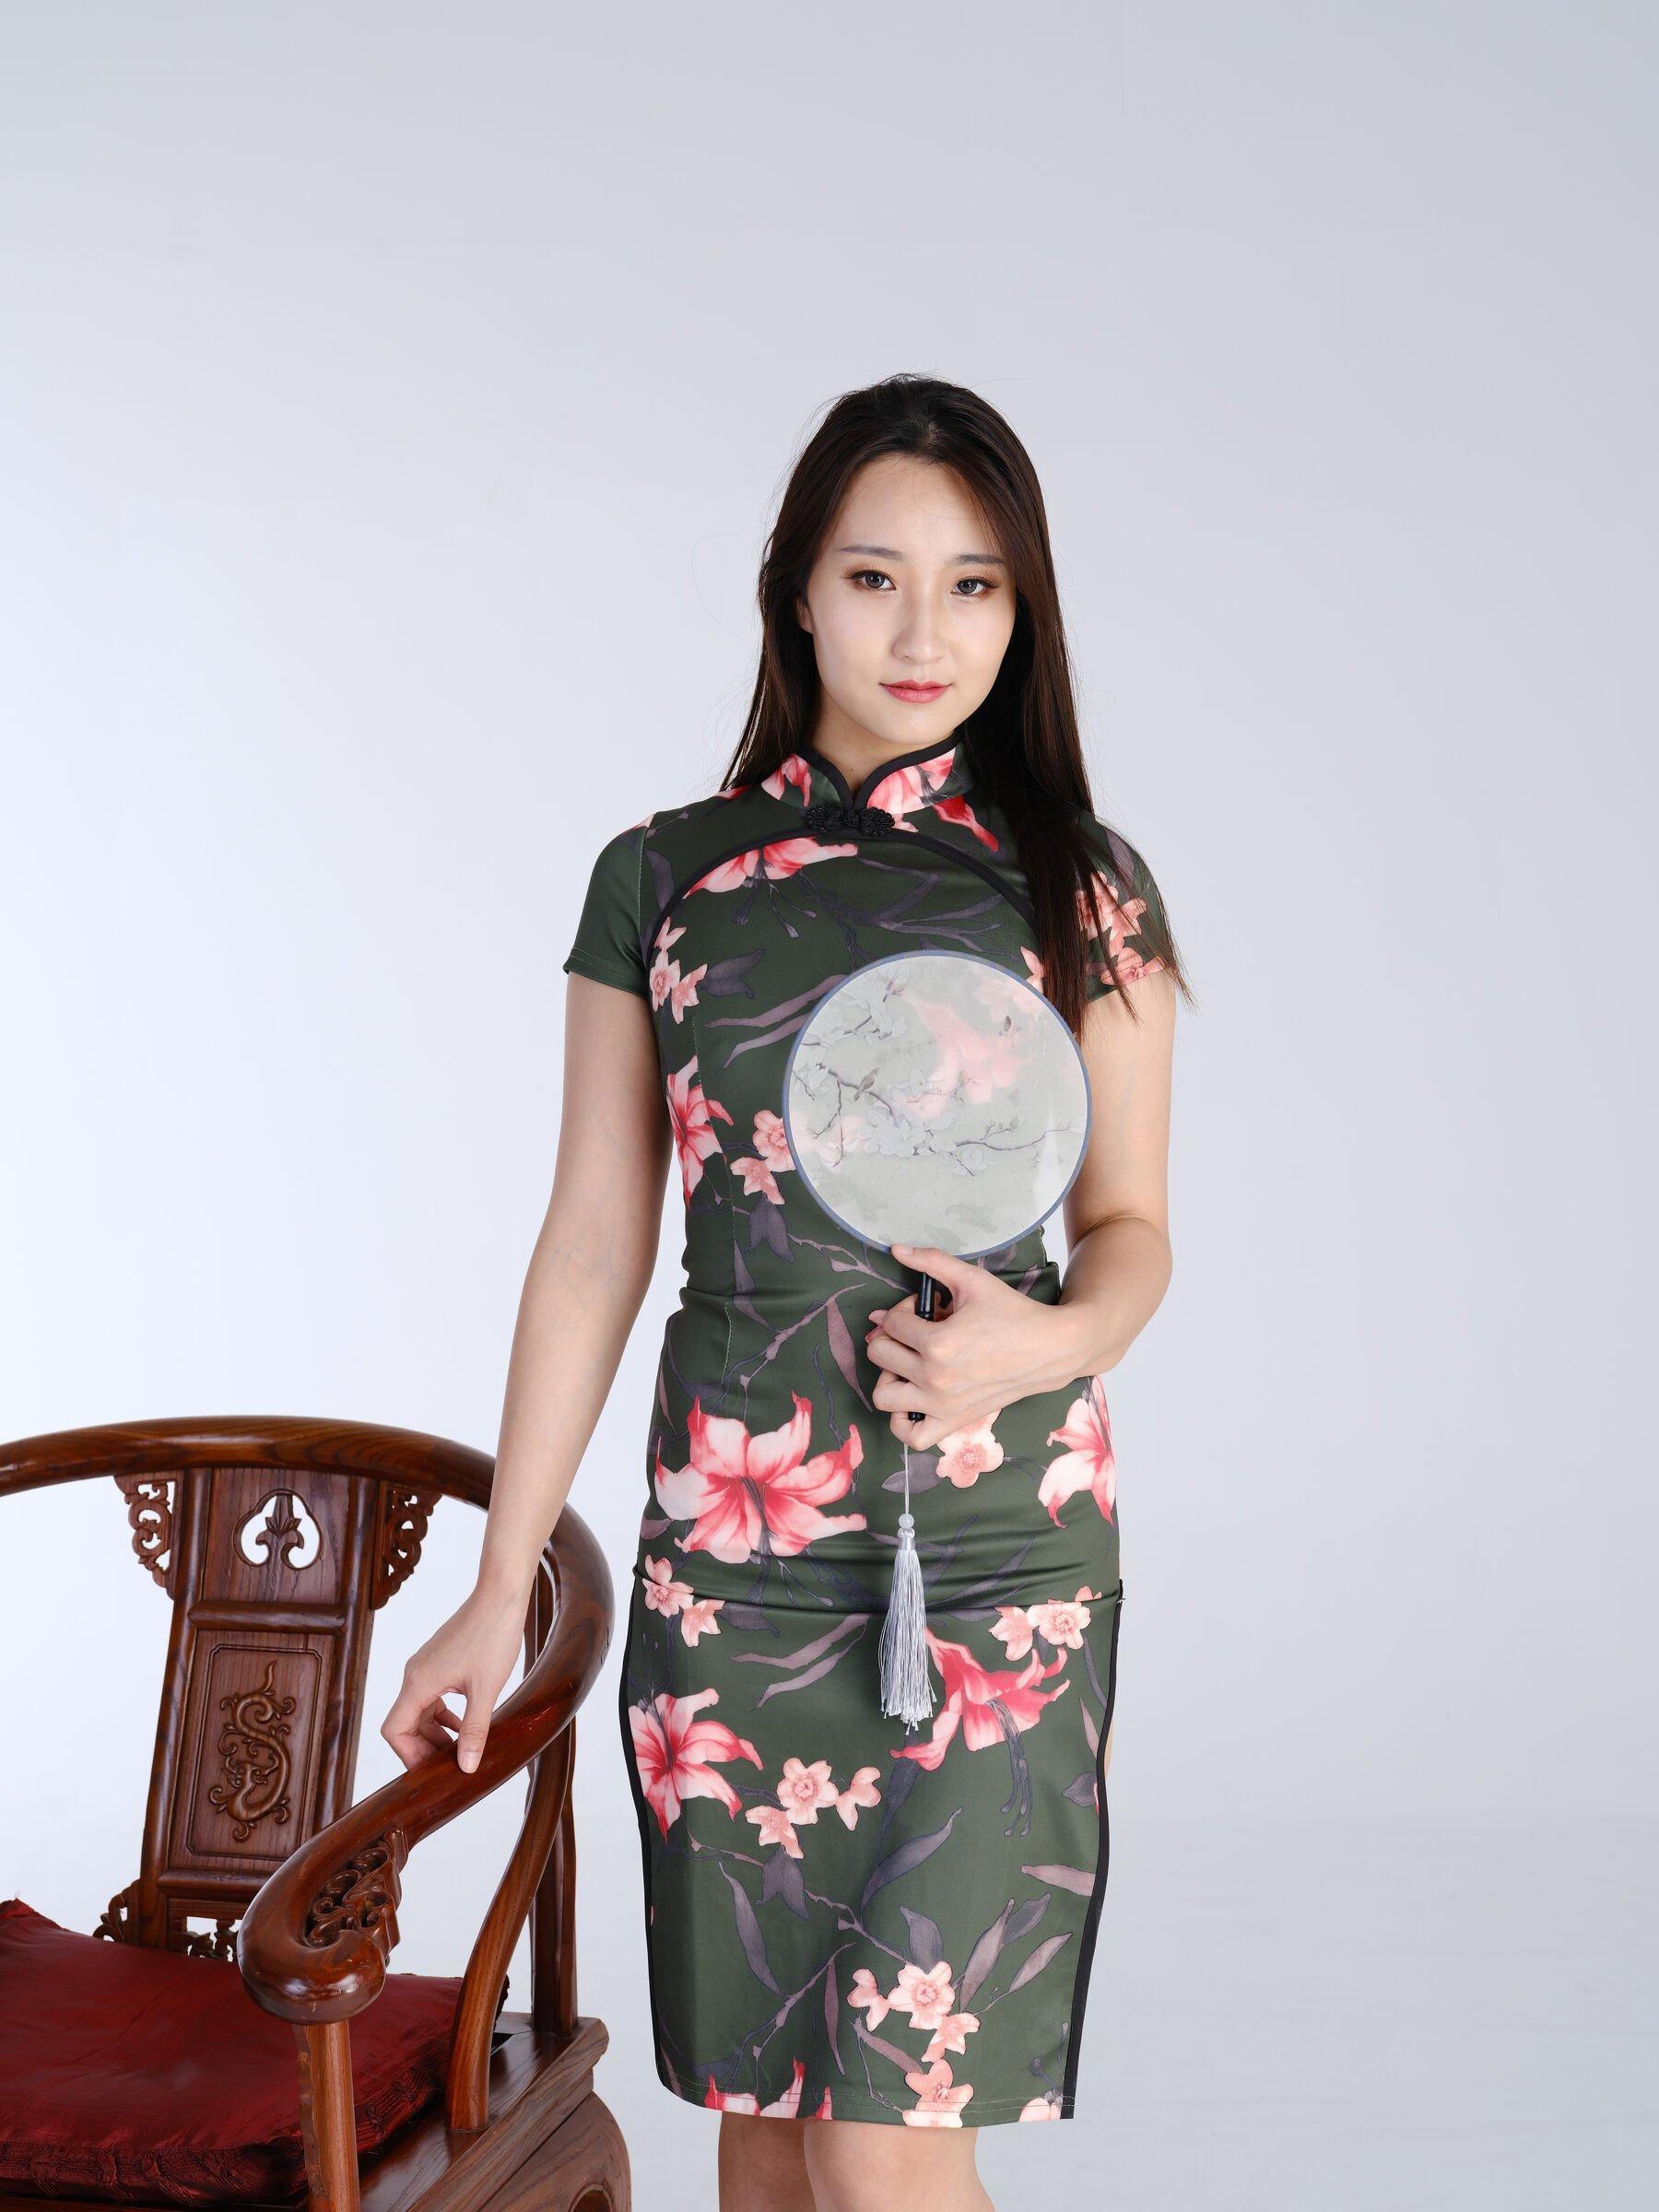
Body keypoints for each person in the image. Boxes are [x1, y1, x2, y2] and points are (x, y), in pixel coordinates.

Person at [382, 373, 1190, 2212]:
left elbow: (1134, 1228)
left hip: (996, 1553)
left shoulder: (1083, 887)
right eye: (876, 577)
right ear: (797, 593)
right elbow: (594, 1243)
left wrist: (1047, 1342)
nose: (924, 634)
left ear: (1024, 609)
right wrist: (499, 1587)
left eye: (975, 586)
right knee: (762, 2138)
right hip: (733, 1569)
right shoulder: (664, 878)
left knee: (880, 2137)